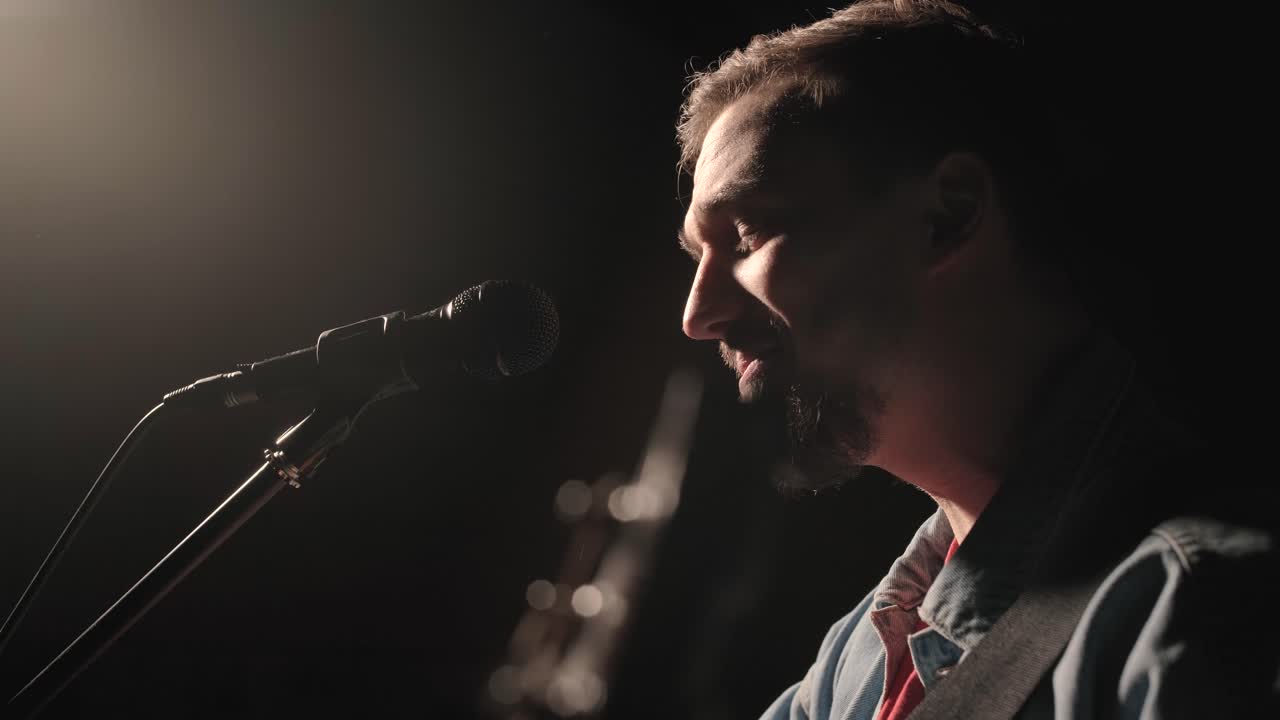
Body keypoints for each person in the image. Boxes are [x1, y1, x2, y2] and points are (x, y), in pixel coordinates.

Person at [673, 1, 1278, 718]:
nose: (697, 315)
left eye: (747, 233)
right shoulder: (853, 662)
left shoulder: (1199, 609)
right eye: (697, 255)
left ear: (948, 215)